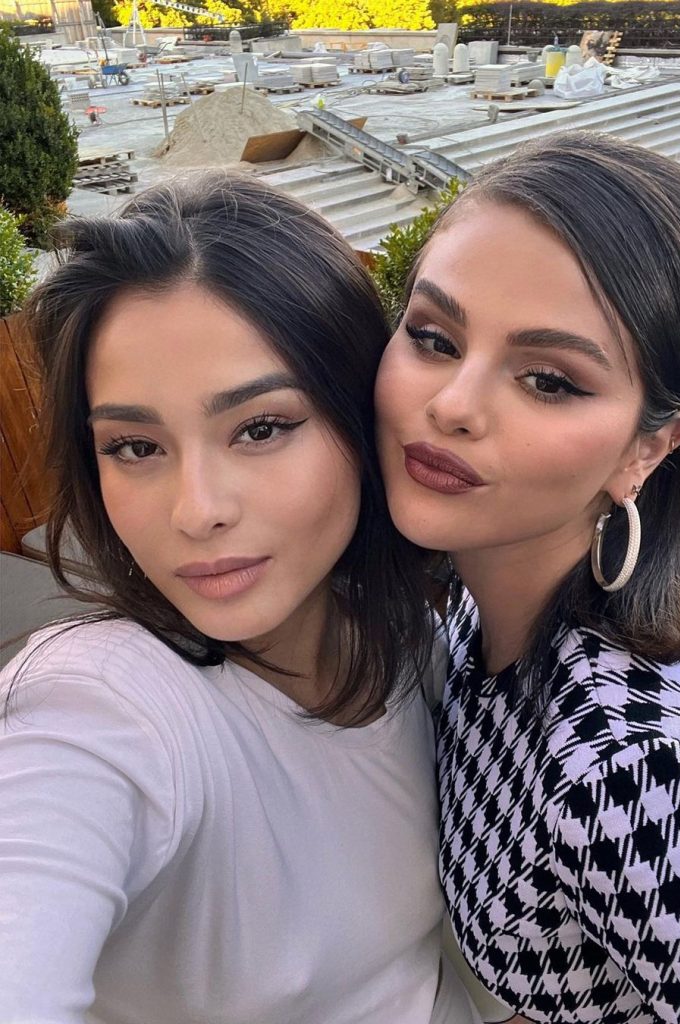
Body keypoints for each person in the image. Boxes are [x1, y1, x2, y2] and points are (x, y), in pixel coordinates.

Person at [0, 174, 479, 1024]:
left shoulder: (413, 632)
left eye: (260, 428)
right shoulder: (101, 708)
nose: (196, 511)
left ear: (360, 415)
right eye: (135, 446)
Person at [375, 131, 680, 1024]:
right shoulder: (478, 615)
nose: (452, 405)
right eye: (432, 337)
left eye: (547, 380)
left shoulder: (647, 775)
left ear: (645, 449)